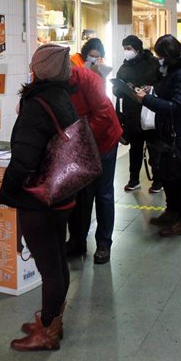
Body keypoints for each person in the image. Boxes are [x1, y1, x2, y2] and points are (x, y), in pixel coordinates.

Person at [0, 44, 77, 351]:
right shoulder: (62, 97)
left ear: (38, 69)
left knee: (49, 266)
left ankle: (46, 331)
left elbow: (24, 158)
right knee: (57, 259)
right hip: (62, 194)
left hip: (40, 197)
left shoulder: (38, 103)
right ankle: (52, 320)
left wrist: (9, 192)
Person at [135, 35, 181, 236]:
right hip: (168, 132)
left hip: (179, 133)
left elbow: (176, 107)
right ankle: (172, 212)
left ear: (169, 54)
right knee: (169, 177)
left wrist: (146, 100)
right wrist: (152, 91)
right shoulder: (174, 70)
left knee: (178, 179)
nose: (159, 60)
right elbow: (168, 94)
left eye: (161, 56)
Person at [65, 64, 122, 264]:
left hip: (103, 140)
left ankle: (103, 244)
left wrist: (81, 140)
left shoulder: (88, 79)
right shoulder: (46, 80)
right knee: (79, 194)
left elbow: (104, 115)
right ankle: (77, 242)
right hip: (78, 142)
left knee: (103, 193)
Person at [115, 35, 162, 193]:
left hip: (150, 110)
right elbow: (116, 88)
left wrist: (151, 88)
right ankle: (133, 179)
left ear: (138, 48)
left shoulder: (153, 63)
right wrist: (122, 88)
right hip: (131, 113)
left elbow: (162, 83)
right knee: (135, 148)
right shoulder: (124, 67)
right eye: (125, 48)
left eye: (129, 48)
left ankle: (157, 180)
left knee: (154, 147)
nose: (126, 52)